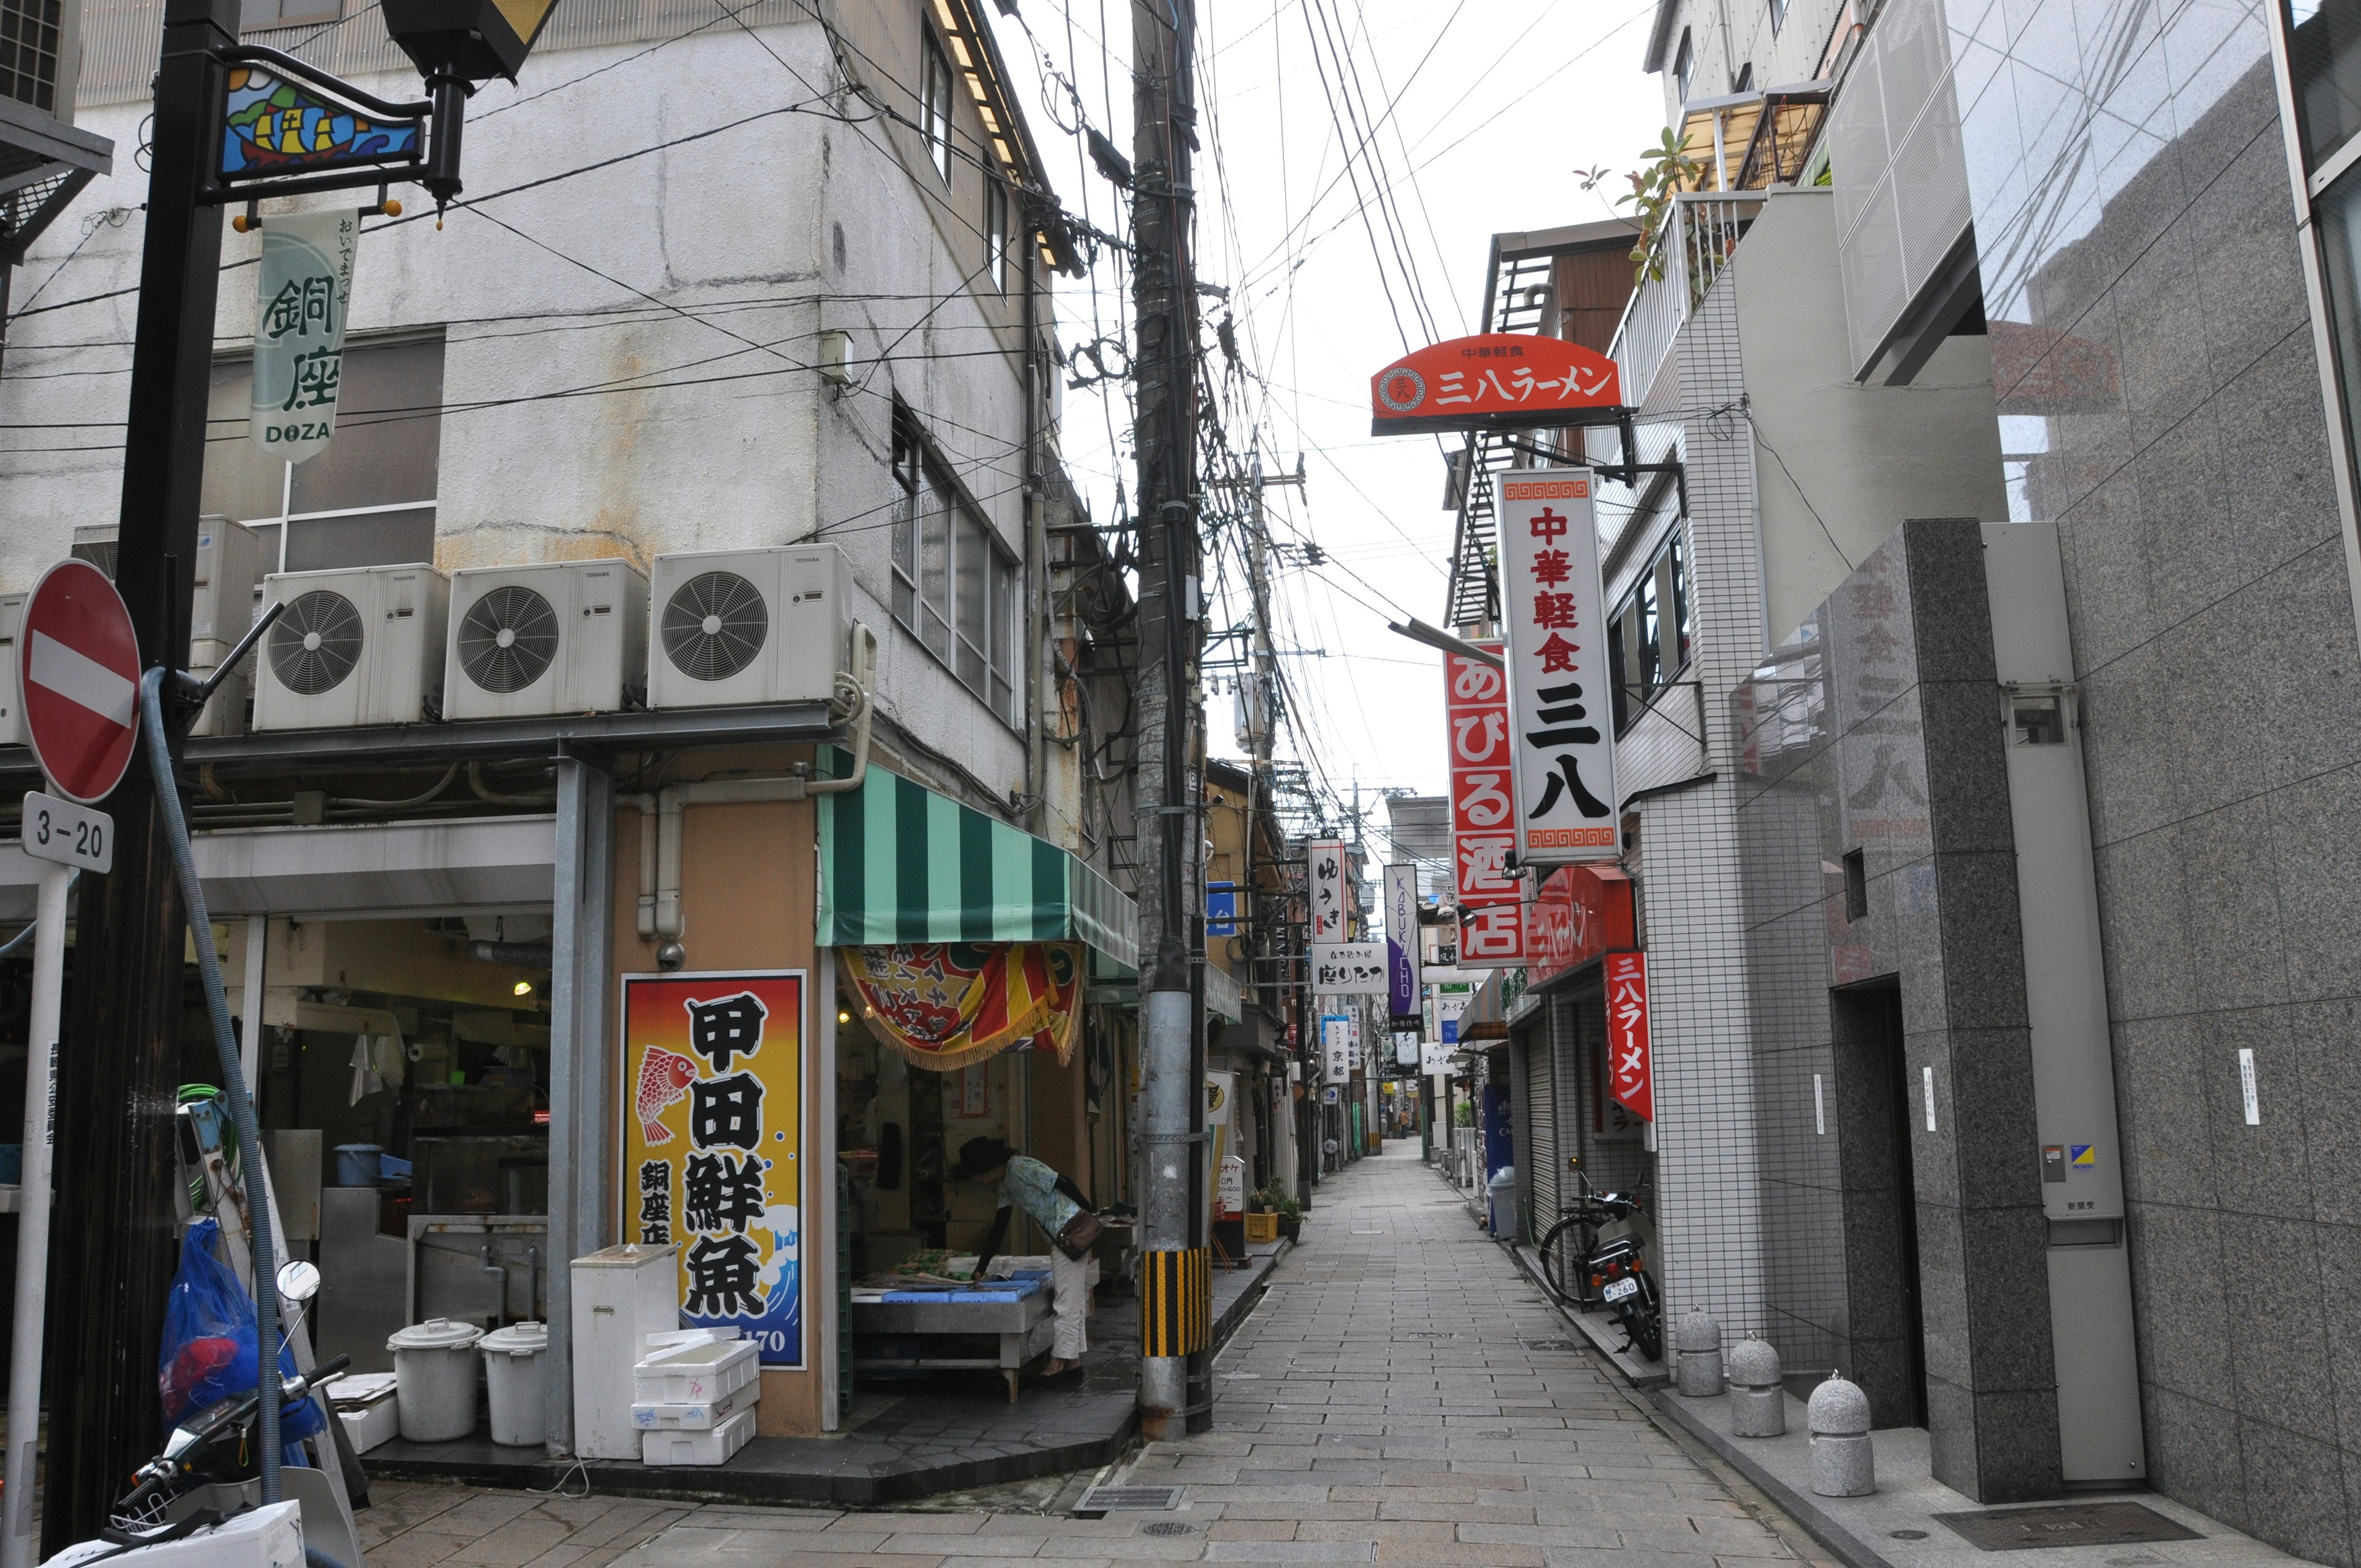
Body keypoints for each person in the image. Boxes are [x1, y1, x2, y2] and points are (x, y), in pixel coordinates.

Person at [951, 1136, 1101, 1380]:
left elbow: (1063, 1181)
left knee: (1066, 1299)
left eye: (974, 1174)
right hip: (1059, 1235)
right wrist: (981, 1267)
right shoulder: (1006, 1184)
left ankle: (1057, 1363)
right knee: (1071, 1296)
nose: (974, 1180)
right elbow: (1000, 1226)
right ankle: (1073, 1364)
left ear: (984, 1169)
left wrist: (1088, 1212)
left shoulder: (1021, 1168)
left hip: (1070, 1231)